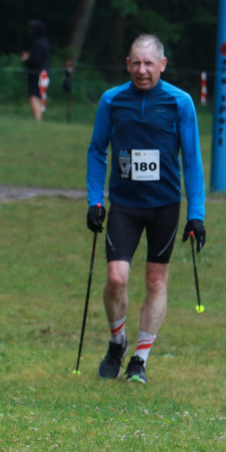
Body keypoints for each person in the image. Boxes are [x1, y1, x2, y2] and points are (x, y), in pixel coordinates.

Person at [86, 34, 206, 384]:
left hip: (164, 206)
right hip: (124, 204)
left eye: (149, 63)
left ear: (162, 65)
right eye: (136, 63)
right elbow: (97, 150)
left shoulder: (179, 103)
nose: (142, 70)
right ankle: (116, 341)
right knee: (115, 277)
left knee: (156, 280)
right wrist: (95, 199)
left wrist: (196, 214)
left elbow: (192, 161)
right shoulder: (112, 101)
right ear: (127, 64)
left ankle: (140, 358)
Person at [21, 20, 50, 120]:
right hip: (44, 72)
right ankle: (38, 119)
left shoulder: (37, 43)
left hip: (36, 73)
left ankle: (38, 119)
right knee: (37, 95)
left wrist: (26, 59)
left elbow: (35, 60)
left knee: (33, 95)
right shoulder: (45, 42)